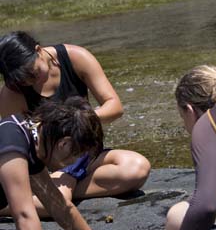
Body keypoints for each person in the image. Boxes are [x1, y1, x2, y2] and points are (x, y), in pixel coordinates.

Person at [0, 96, 143, 230]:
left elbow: (59, 206)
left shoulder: (33, 138)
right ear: (64, 144)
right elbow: (24, 215)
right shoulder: (11, 144)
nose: (73, 164)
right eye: (78, 155)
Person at [0, 31, 150, 217]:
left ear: (38, 51)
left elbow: (115, 106)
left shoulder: (76, 57)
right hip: (53, 164)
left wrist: (77, 121)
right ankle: (8, 206)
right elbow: (18, 144)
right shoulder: (12, 92)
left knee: (137, 168)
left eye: (34, 73)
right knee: (58, 202)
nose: (31, 81)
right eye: (22, 80)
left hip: (85, 155)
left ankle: (63, 191)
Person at [138, 65, 216, 230]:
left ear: (190, 110)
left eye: (183, 118)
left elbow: (205, 207)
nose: (185, 127)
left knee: (177, 219)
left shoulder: (207, 123)